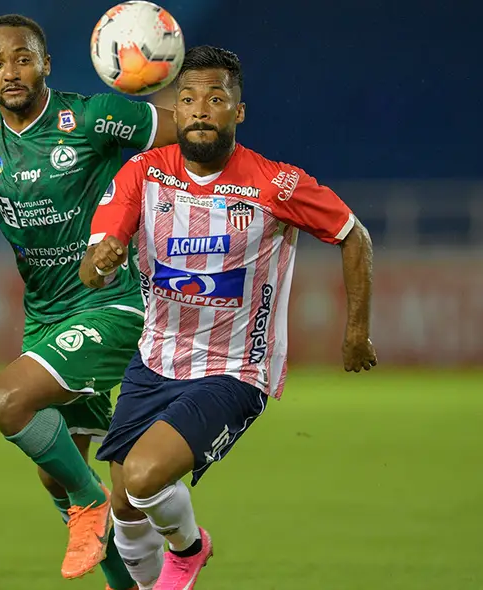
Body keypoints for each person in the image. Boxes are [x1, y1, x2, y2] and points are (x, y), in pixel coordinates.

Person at [0, 13, 178, 588]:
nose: (12, 72)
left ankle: (89, 502)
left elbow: (194, 134)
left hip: (112, 302)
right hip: (46, 316)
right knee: (55, 474)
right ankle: (120, 568)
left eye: (23, 58)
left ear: (45, 62)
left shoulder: (94, 117)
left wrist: (166, 94)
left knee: (6, 401)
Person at [79, 45, 378, 590]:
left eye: (215, 99)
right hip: (154, 359)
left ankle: (190, 550)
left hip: (234, 368)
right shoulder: (142, 173)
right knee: (122, 506)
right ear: (175, 109)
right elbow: (95, 261)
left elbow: (353, 234)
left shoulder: (274, 185)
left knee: (145, 479)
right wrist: (99, 265)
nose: (199, 110)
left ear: (237, 112)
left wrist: (356, 328)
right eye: (187, 98)